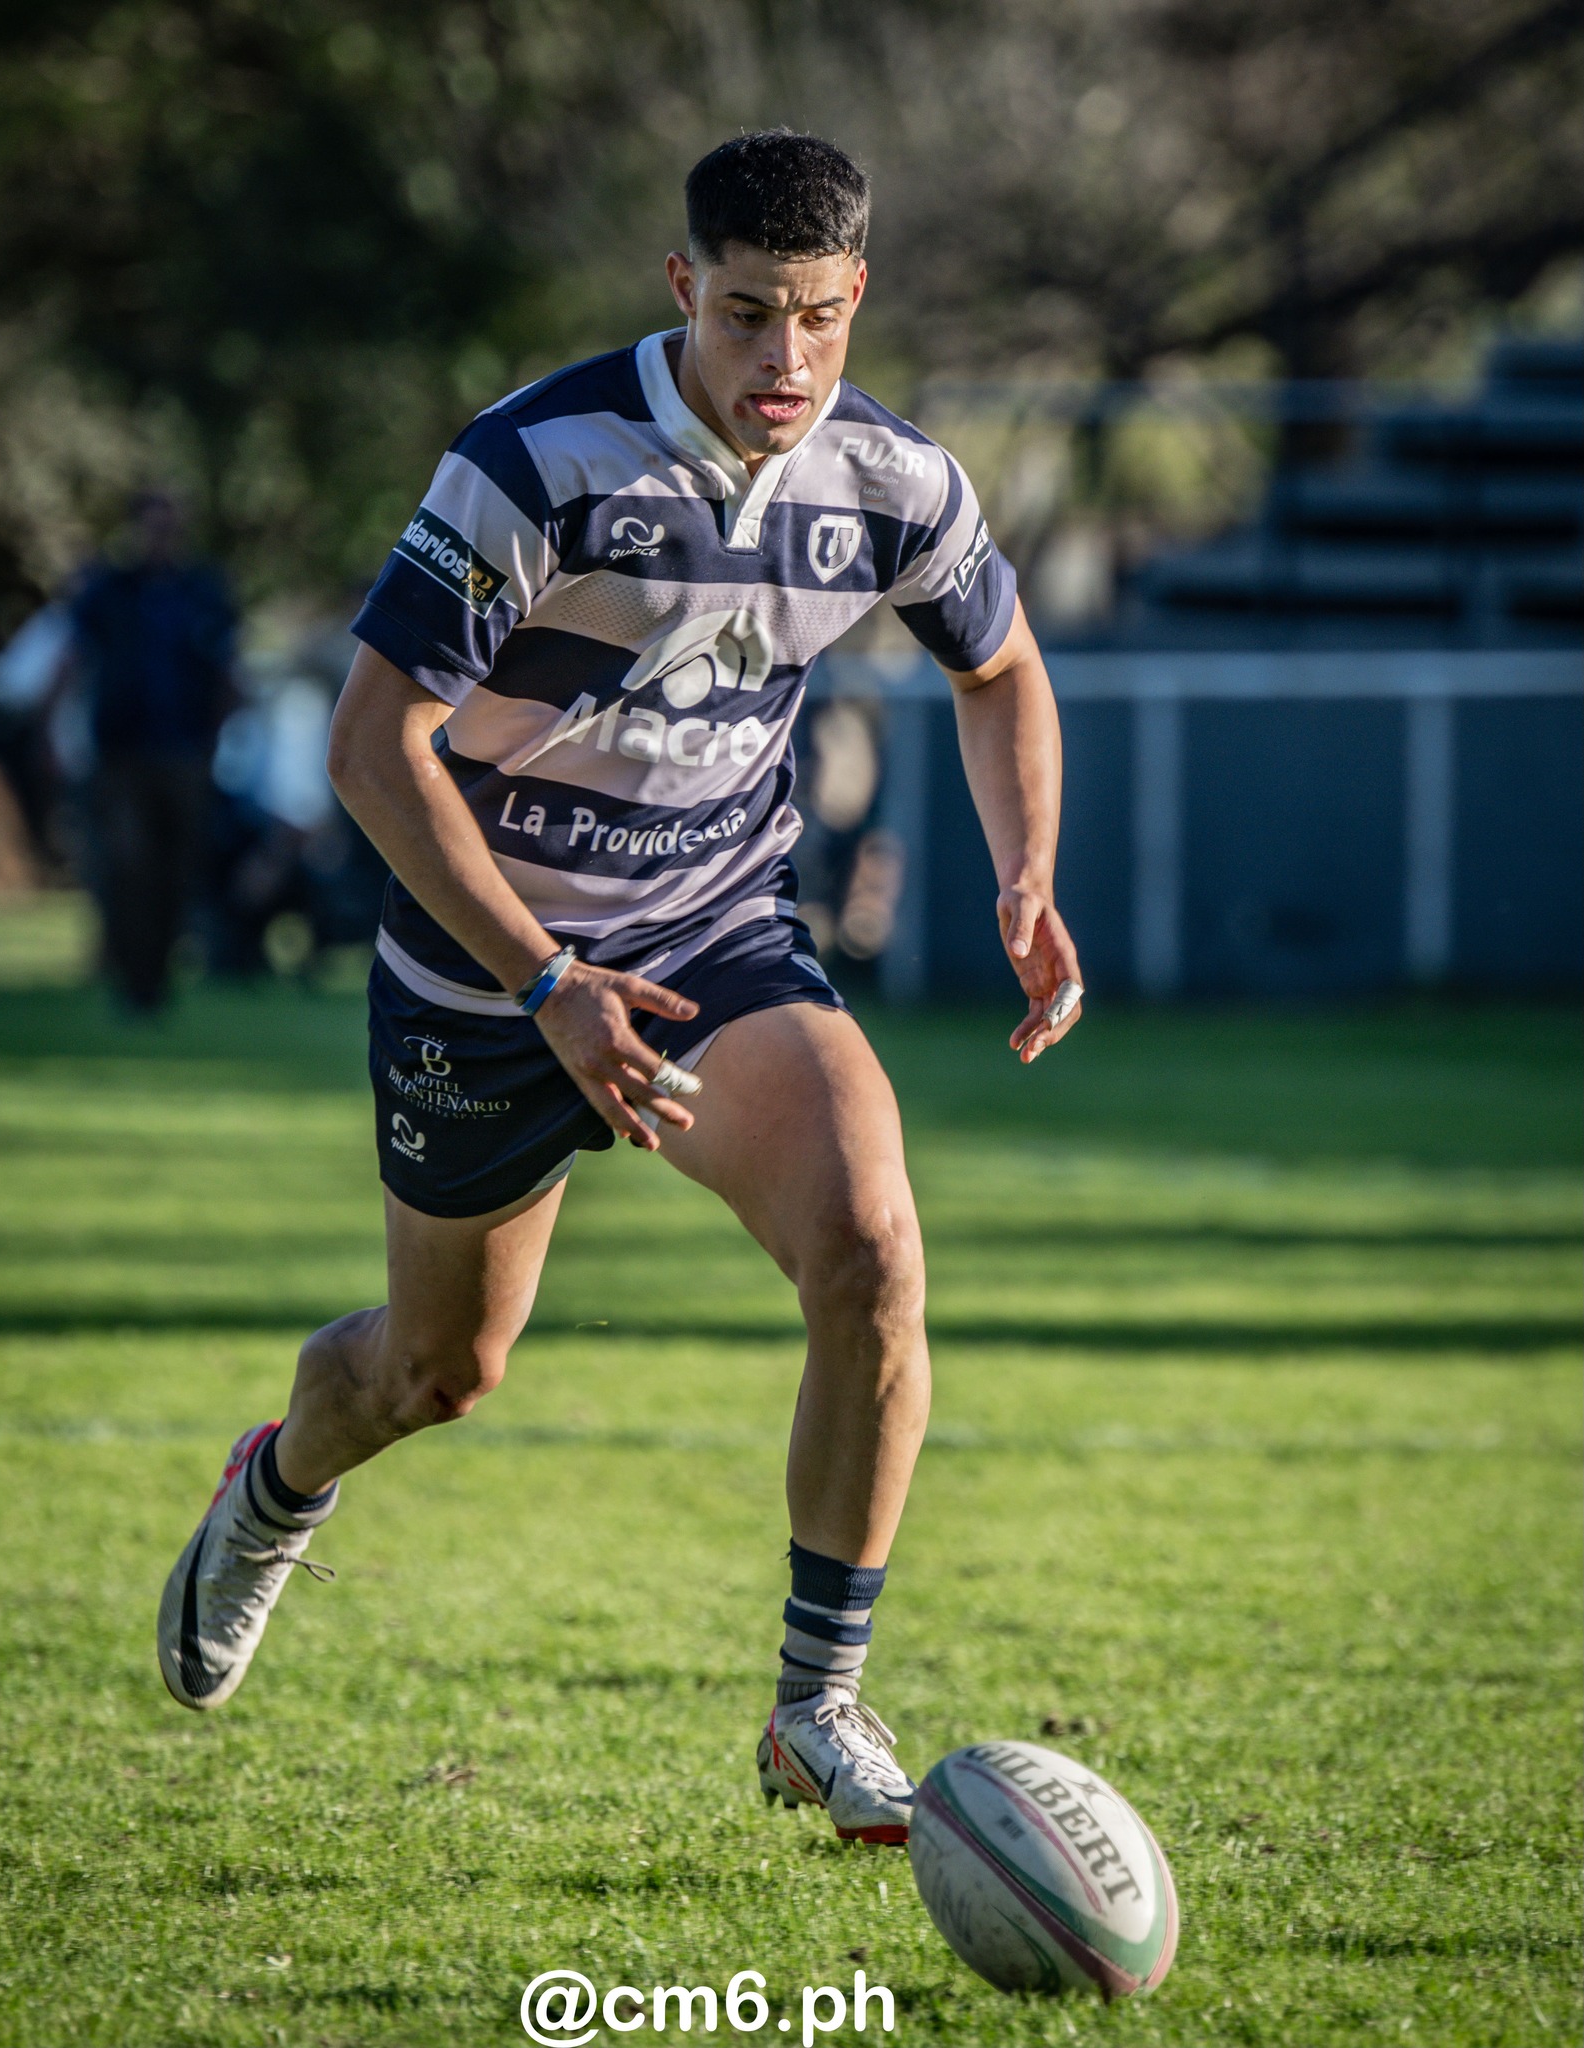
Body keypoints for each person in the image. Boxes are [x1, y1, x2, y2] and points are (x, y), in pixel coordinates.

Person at [157, 132, 1084, 1845]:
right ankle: (274, 1486)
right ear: (682, 288)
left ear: (856, 292)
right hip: (483, 959)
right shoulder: (536, 462)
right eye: (745, 314)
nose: (784, 360)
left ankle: (815, 1708)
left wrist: (1023, 871)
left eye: (817, 316)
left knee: (872, 1250)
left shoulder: (892, 481)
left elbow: (1001, 665)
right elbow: (372, 746)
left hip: (716, 934)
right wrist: (543, 981)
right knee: (438, 1372)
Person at [68, 491, 236, 1010]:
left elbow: (226, 672)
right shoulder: (110, 590)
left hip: (184, 752)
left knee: (175, 871)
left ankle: (157, 978)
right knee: (126, 864)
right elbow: (75, 659)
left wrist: (215, 744)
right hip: (122, 753)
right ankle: (131, 978)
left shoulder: (204, 591)